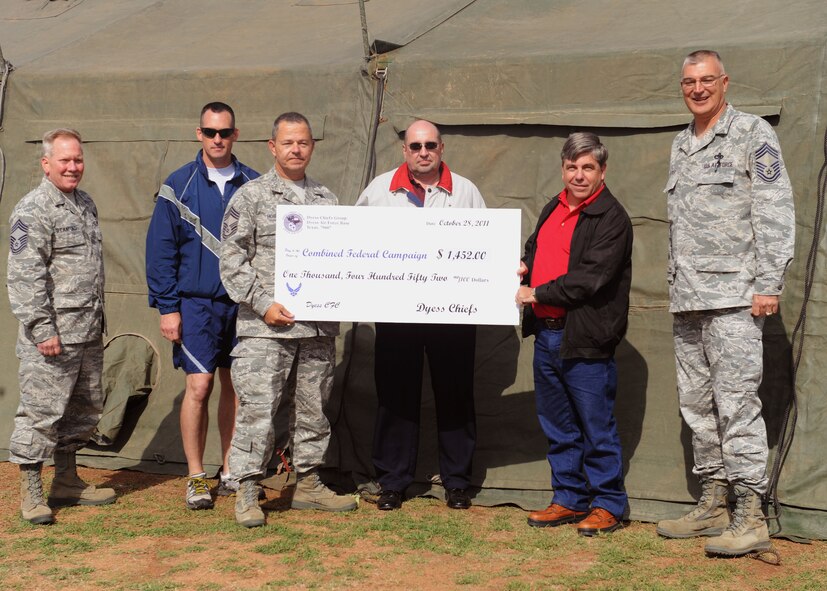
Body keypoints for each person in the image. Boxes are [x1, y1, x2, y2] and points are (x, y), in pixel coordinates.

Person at [656, 50, 795, 556]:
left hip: (736, 296)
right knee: (697, 405)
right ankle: (713, 503)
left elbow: (775, 207)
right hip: (688, 296)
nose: (698, 89)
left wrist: (768, 282)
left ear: (724, 82)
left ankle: (750, 514)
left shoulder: (753, 133)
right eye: (690, 82)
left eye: (706, 80)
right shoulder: (680, 143)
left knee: (737, 404)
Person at [219, 111, 357, 527]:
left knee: (313, 409)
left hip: (316, 329)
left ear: (312, 147)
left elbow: (344, 259)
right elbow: (231, 260)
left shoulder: (327, 201)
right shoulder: (251, 197)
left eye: (304, 142)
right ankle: (246, 489)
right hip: (267, 329)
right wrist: (263, 303)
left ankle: (309, 483)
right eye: (288, 142)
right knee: (259, 411)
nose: (296, 149)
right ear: (272, 147)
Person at [355, 120, 486, 511]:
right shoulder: (380, 190)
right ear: (404, 150)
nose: (423, 152)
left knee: (456, 394)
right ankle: (393, 481)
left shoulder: (465, 191)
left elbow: (484, 244)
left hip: (453, 312)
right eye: (415, 146)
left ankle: (458, 483)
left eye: (430, 145)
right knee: (395, 396)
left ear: (442, 148)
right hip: (396, 313)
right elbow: (354, 242)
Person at [515, 132, 632, 536]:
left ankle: (608, 504)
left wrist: (536, 292)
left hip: (585, 337)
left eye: (587, 168)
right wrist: (523, 267)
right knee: (558, 425)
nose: (578, 175)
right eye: (572, 167)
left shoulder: (612, 217)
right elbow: (535, 248)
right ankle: (568, 497)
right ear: (562, 168)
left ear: (602, 170)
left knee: (596, 426)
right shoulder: (555, 205)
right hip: (546, 334)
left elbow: (589, 279)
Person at [146, 102, 259, 510]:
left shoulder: (254, 183)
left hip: (243, 306)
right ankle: (196, 476)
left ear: (235, 134)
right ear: (199, 133)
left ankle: (230, 470)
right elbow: (160, 250)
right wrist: (167, 308)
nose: (217, 139)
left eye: (224, 132)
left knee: (237, 388)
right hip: (195, 304)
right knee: (199, 386)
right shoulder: (179, 184)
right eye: (210, 132)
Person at [7, 128, 116, 525]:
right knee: (42, 411)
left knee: (82, 409)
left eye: (78, 160)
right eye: (65, 161)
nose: (73, 167)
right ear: (46, 164)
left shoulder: (84, 203)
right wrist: (41, 328)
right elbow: (24, 275)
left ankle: (67, 480)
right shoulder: (32, 209)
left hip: (87, 330)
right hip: (52, 335)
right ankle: (32, 491)